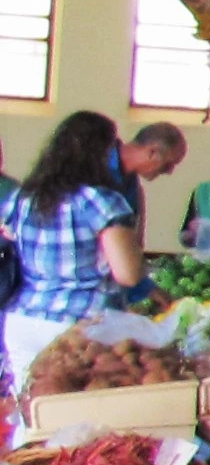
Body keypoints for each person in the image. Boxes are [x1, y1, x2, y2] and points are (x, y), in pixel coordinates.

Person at [0, 113, 145, 389]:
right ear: (101, 152)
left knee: (29, 407)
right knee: (75, 412)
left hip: (23, 319)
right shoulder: (100, 201)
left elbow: (8, 236)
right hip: (79, 325)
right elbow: (128, 274)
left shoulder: (23, 198)